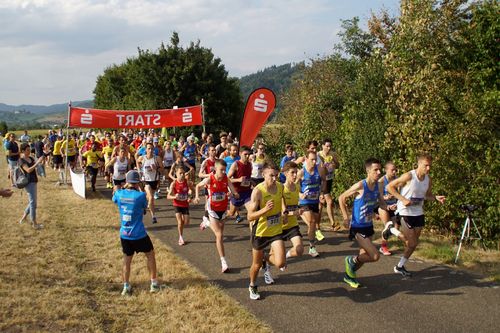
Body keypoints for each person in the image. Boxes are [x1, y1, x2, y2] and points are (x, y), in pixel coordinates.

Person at [386, 153, 446, 277]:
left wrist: (435, 197)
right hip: (404, 212)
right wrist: (402, 199)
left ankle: (399, 266)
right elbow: (389, 187)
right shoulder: (409, 176)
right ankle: (392, 230)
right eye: (426, 165)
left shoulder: (429, 180)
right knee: (412, 243)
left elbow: (427, 195)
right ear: (419, 164)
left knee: (412, 243)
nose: (428, 168)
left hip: (418, 213)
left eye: (430, 166)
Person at [339, 158, 386, 288]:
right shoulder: (360, 186)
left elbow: (380, 202)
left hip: (368, 226)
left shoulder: (378, 186)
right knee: (375, 256)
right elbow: (341, 197)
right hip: (357, 227)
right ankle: (350, 260)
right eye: (375, 170)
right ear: (368, 171)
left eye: (380, 169)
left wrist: (383, 208)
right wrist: (345, 218)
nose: (379, 172)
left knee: (363, 256)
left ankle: (349, 276)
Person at [112, 170, 161, 296]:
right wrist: (143, 190)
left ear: (126, 181)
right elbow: (145, 206)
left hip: (125, 233)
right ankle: (154, 284)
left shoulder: (119, 194)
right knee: (150, 255)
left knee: (127, 260)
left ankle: (126, 286)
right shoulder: (140, 196)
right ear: (138, 182)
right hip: (139, 233)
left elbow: (114, 198)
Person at [246, 161, 286, 300]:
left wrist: (284, 211)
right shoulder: (258, 191)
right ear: (263, 175)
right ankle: (252, 285)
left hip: (275, 230)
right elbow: (250, 216)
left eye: (276, 175)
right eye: (271, 176)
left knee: (281, 262)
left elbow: (281, 199)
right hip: (260, 232)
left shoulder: (280, 186)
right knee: (256, 265)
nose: (274, 179)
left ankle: (265, 257)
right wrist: (264, 210)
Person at [194, 159, 239, 273]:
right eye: (221, 170)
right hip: (212, 209)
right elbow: (198, 186)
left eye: (225, 170)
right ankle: (223, 262)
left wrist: (235, 194)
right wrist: (196, 197)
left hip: (223, 209)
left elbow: (233, 190)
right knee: (219, 235)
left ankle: (206, 223)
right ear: (215, 169)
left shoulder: (226, 179)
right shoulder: (210, 178)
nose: (223, 172)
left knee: (220, 232)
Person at [297, 150, 326, 257]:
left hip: (315, 201)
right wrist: (299, 194)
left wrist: (322, 192)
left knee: (313, 224)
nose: (314, 162)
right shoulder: (301, 172)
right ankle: (312, 247)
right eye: (312, 159)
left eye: (315, 159)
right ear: (306, 159)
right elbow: (293, 186)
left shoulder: (319, 169)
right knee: (312, 221)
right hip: (304, 202)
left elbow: (324, 180)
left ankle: (311, 245)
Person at [281, 161, 305, 268]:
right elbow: (279, 211)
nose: (295, 175)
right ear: (286, 173)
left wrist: (299, 209)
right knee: (277, 259)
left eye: (296, 172)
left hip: (292, 225)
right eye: (292, 173)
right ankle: (266, 264)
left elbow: (295, 205)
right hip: (279, 226)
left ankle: (286, 255)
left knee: (300, 250)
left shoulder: (297, 187)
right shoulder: (280, 189)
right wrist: (292, 213)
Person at [18, 143, 45, 229]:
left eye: (30, 149)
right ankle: (34, 223)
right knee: (33, 203)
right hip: (28, 182)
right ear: (22, 151)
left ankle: (23, 218)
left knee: (32, 202)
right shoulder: (21, 160)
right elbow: (28, 170)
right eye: (27, 150)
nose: (29, 151)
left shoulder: (30, 158)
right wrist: (37, 163)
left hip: (34, 181)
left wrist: (41, 161)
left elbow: (36, 166)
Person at [137, 142, 164, 224]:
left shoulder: (157, 158)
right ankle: (153, 216)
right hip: (146, 180)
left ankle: (144, 206)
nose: (150, 150)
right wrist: (139, 170)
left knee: (150, 199)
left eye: (152, 148)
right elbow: (137, 161)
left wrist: (156, 168)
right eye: (149, 148)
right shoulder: (142, 158)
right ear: (146, 150)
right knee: (151, 197)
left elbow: (162, 169)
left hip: (154, 180)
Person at [167, 165, 195, 246]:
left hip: (185, 204)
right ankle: (180, 237)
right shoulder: (174, 183)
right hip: (177, 204)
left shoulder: (187, 182)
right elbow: (168, 196)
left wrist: (191, 197)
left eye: (183, 173)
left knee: (186, 222)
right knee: (180, 222)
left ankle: (181, 232)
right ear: (176, 174)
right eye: (180, 173)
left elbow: (193, 190)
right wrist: (174, 196)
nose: (182, 175)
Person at [318, 139, 340, 231]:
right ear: (322, 146)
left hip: (329, 179)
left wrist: (334, 163)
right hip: (321, 181)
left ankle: (317, 225)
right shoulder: (318, 155)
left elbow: (338, 165)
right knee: (329, 201)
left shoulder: (333, 154)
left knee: (321, 204)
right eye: (327, 146)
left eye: (330, 146)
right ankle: (332, 223)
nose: (328, 148)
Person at [227, 146, 253, 223]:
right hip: (237, 193)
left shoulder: (249, 164)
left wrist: (252, 183)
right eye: (245, 154)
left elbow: (248, 177)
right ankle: (220, 217)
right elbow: (227, 179)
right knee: (231, 213)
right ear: (240, 154)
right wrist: (238, 179)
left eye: (248, 154)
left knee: (251, 212)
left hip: (247, 192)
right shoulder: (236, 164)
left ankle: (253, 232)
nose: (247, 156)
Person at [378, 161, 399, 256]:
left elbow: (400, 194)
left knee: (395, 228)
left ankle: (383, 242)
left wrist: (397, 203)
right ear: (386, 170)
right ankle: (383, 247)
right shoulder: (381, 181)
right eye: (392, 170)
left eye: (395, 170)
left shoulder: (397, 179)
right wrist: (386, 198)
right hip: (384, 207)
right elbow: (378, 197)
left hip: (394, 206)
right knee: (388, 226)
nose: (394, 172)